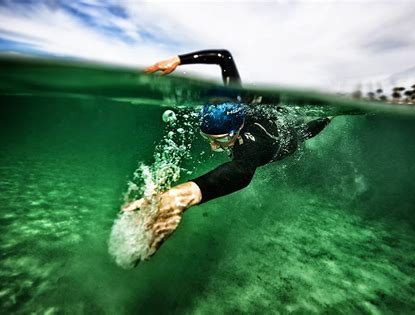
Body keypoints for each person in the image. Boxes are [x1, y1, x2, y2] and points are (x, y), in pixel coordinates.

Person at [123, 49, 331, 257]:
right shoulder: (235, 98)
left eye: (220, 140)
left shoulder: (254, 143)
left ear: (237, 129)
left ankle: (328, 117)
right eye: (208, 138)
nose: (213, 146)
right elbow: (223, 57)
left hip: (284, 137)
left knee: (303, 133)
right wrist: (177, 60)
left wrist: (180, 197)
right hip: (270, 111)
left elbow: (241, 172)